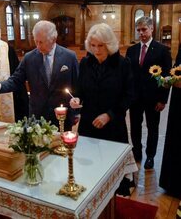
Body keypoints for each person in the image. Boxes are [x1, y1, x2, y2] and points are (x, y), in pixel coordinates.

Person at [70, 23, 136, 196]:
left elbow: (129, 95)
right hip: (88, 125)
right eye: (93, 45)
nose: (96, 50)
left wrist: (109, 115)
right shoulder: (85, 62)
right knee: (90, 168)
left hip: (113, 126)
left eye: (101, 46)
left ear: (109, 45)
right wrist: (76, 99)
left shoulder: (122, 64)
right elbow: (79, 90)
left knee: (112, 171)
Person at [0, 20, 79, 129]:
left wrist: (76, 107)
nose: (38, 46)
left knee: (62, 145)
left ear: (53, 39)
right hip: (37, 115)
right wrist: (0, 85)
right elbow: (16, 80)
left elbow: (77, 85)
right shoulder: (29, 58)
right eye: (36, 41)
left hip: (61, 115)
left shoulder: (69, 57)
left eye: (41, 42)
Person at [126, 16, 172, 169]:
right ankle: (137, 152)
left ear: (152, 29)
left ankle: (150, 156)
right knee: (135, 126)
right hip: (135, 98)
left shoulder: (162, 50)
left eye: (144, 29)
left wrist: (163, 99)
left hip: (154, 98)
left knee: (152, 128)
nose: (141, 33)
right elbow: (128, 75)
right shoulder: (131, 50)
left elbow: (167, 76)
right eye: (138, 30)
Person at [159, 47, 181, 198]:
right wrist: (170, 80)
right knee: (176, 139)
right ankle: (173, 183)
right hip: (179, 102)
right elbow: (176, 69)